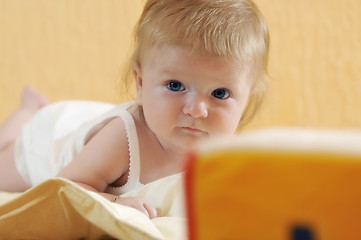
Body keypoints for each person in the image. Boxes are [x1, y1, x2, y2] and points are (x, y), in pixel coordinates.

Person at [0, 0, 269, 218]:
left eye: (220, 93)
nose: (197, 110)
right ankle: (28, 111)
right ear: (140, 83)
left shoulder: (228, 154)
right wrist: (114, 202)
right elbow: (65, 188)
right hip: (50, 140)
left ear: (246, 98)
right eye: (175, 85)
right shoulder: (123, 140)